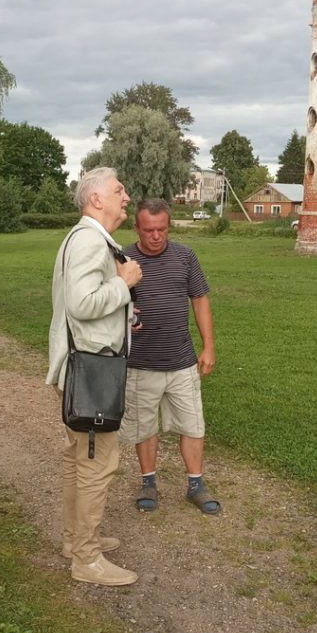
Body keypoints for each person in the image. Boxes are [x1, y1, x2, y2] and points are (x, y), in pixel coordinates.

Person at [46, 166, 143, 587]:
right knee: (96, 465)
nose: (126, 196)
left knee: (78, 461)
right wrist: (123, 284)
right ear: (95, 199)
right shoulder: (88, 239)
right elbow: (82, 303)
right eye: (118, 190)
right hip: (92, 374)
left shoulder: (86, 238)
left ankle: (76, 540)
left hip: (82, 369)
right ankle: (86, 559)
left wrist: (124, 316)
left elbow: (86, 308)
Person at [119, 198, 221, 516]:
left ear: (169, 226)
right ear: (136, 227)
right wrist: (123, 318)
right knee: (144, 427)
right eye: (148, 230)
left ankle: (196, 485)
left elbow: (200, 301)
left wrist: (208, 347)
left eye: (161, 229)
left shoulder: (186, 256)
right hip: (139, 364)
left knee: (193, 425)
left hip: (181, 361)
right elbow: (107, 302)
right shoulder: (122, 260)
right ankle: (148, 482)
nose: (156, 236)